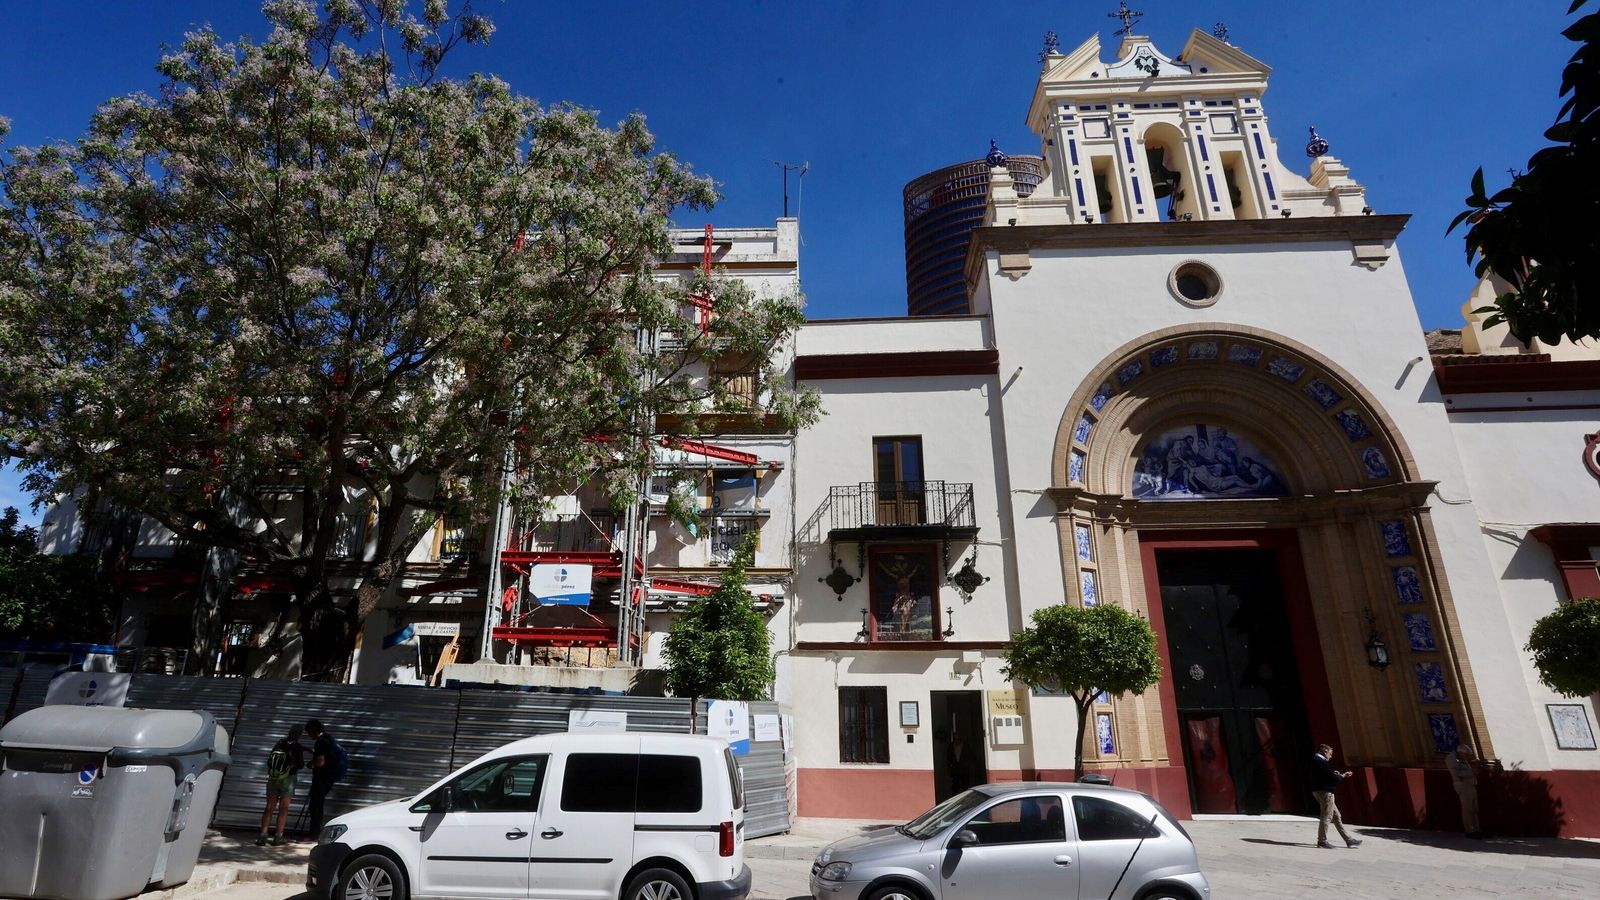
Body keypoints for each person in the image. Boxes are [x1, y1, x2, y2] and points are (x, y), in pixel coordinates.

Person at [256, 725, 304, 846]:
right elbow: (300, 765)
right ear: (298, 735)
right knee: (284, 808)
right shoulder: (297, 747)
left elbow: (269, 761)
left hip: (274, 779)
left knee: (269, 807)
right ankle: (278, 837)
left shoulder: (280, 743)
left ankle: (263, 836)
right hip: (288, 780)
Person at [1310, 742, 1361, 849]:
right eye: (1330, 754)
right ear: (1325, 752)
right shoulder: (1321, 761)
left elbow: (1325, 775)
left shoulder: (1315, 760)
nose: (1331, 756)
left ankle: (1349, 840)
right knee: (1326, 816)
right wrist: (1343, 775)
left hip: (1319, 791)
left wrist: (1334, 774)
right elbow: (1333, 779)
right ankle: (1322, 841)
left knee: (1337, 816)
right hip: (1325, 793)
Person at [305, 718, 345, 835]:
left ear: (313, 730)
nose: (309, 735)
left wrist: (311, 764)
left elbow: (321, 762)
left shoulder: (320, 742)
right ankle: (316, 831)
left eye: (309, 732)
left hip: (321, 779)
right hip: (329, 778)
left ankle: (314, 833)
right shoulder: (329, 738)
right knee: (318, 804)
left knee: (315, 806)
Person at [1446, 743, 1485, 839]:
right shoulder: (1453, 760)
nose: (1468, 757)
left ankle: (1477, 829)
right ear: (1461, 753)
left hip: (1471, 785)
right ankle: (1469, 830)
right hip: (1463, 786)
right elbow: (1457, 773)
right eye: (1466, 755)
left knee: (1474, 809)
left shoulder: (1464, 761)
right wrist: (1472, 772)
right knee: (1467, 808)